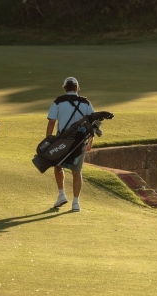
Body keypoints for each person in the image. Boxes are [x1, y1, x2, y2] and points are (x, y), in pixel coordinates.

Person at [46, 76, 94, 212]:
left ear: (65, 88)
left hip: (62, 140)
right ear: (77, 88)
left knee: (58, 166)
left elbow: (51, 122)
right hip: (80, 141)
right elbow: (92, 124)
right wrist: (91, 141)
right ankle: (76, 203)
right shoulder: (86, 102)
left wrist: (48, 140)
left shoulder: (58, 102)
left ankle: (61, 194)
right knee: (76, 171)